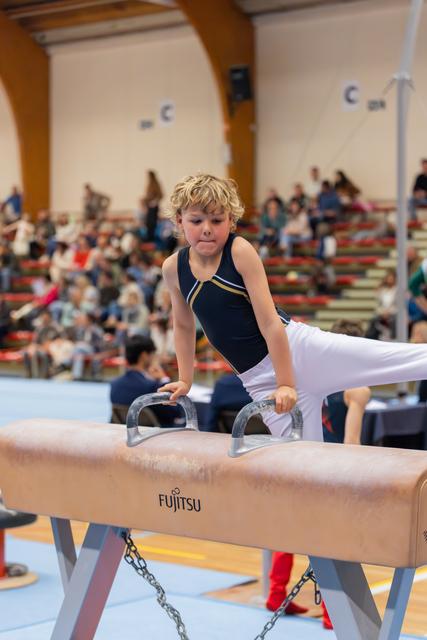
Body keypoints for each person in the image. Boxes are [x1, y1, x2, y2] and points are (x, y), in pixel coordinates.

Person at [158, 172, 427, 446]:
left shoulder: (239, 251)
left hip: (299, 351)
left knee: (396, 359)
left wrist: (286, 383)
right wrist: (185, 380)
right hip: (260, 382)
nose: (206, 229)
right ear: (179, 220)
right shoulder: (173, 269)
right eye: (196, 220)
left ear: (231, 220)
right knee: (302, 465)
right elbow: (183, 325)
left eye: (216, 220)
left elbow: (270, 323)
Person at [110, 335, 179, 426]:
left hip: (125, 431)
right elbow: (175, 413)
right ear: (144, 355)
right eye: (153, 354)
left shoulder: (115, 384)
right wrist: (164, 380)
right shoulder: (151, 386)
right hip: (154, 435)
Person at [143, 170, 163, 242]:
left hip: (154, 206)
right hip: (149, 206)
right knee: (148, 222)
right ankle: (149, 237)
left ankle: (152, 238)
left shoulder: (156, 184)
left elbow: (160, 195)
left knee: (152, 222)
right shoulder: (149, 185)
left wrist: (155, 201)